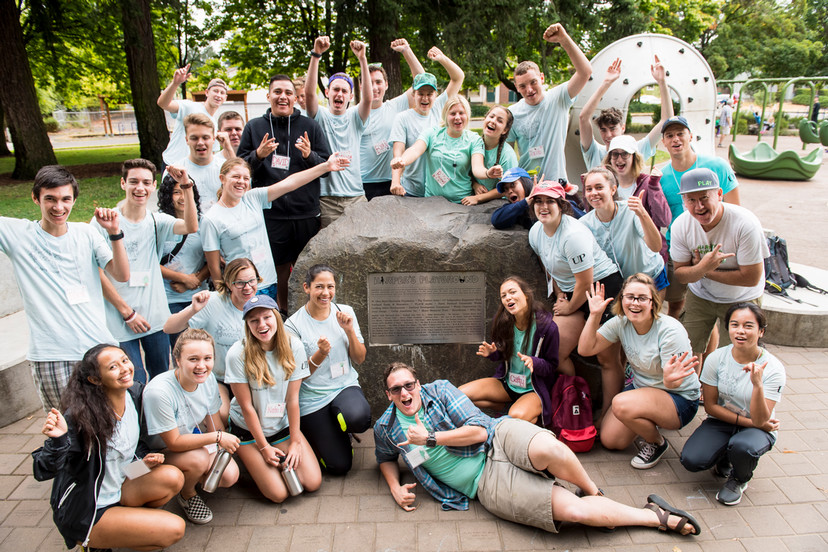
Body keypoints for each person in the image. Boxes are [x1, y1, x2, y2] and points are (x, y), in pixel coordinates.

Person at [375, 362, 701, 536]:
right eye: (396, 389)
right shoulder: (386, 428)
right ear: (388, 395)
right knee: (574, 513)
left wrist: (431, 438)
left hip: (497, 438)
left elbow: (478, 431)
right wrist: (394, 487)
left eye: (409, 385)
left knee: (549, 448)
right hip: (484, 483)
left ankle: (593, 491)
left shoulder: (441, 391)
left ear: (418, 384)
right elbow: (385, 458)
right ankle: (654, 516)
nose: (405, 393)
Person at [32, 344, 185, 550]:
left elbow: (129, 448)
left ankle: (124, 526)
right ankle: (95, 541)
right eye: (113, 367)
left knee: (173, 477)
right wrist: (58, 440)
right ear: (95, 379)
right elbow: (42, 470)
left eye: (124, 360)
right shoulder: (80, 417)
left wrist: (143, 461)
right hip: (90, 507)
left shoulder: (134, 394)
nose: (124, 369)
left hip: (120, 482)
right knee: (174, 529)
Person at [0, 165, 129, 410]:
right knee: (67, 427)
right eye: (50, 199)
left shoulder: (86, 233)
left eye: (65, 199)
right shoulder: (17, 234)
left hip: (99, 348)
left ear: (74, 200)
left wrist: (114, 233)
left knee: (112, 421)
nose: (58, 207)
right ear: (35, 198)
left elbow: (121, 275)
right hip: (52, 355)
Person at [578, 275, 700, 469]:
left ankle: (657, 442)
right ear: (622, 299)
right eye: (630, 297)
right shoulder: (621, 322)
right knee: (611, 440)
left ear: (653, 302)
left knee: (620, 403)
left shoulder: (670, 331)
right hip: (642, 390)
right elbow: (585, 349)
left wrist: (670, 380)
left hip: (678, 397)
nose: (635, 303)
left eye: (642, 298)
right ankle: (647, 417)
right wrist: (594, 315)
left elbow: (676, 382)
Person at [93, 159, 198, 383]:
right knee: (132, 380)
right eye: (134, 182)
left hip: (155, 318)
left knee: (161, 376)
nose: (140, 188)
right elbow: (97, 273)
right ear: (123, 183)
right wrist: (127, 313)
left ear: (153, 187)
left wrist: (186, 185)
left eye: (146, 182)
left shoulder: (156, 221)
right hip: (119, 319)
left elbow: (191, 226)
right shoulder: (104, 221)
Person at [527, 180, 624, 415]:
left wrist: (570, 307)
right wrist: (559, 292)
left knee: (606, 358)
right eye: (538, 201)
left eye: (550, 201)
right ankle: (574, 399)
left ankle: (609, 412)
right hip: (573, 292)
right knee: (553, 351)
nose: (543, 207)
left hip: (603, 288)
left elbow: (586, 281)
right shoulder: (536, 231)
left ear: (562, 205)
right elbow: (547, 264)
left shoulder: (573, 235)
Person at [236, 74, 331, 314]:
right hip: (272, 214)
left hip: (305, 212)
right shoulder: (254, 127)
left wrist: (309, 155)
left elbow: (326, 167)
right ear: (268, 96)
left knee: (308, 268)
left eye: (288, 93)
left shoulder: (310, 126)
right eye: (277, 92)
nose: (283, 97)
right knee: (277, 268)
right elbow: (240, 168)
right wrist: (258, 155)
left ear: (295, 97)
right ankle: (283, 311)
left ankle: (308, 312)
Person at [201, 154, 349, 304]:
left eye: (246, 178)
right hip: (240, 288)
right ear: (222, 178)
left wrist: (326, 166)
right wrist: (223, 297)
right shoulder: (211, 218)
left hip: (268, 281)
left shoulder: (253, 198)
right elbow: (214, 267)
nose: (241, 182)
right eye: (236, 177)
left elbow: (290, 183)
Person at [680, 304, 785, 506]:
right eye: (735, 325)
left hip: (759, 427)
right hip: (724, 419)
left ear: (761, 331)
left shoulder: (774, 368)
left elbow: (761, 419)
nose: (740, 331)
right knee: (692, 460)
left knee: (743, 447)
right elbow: (710, 407)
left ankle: (739, 478)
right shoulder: (716, 358)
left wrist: (757, 385)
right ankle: (725, 456)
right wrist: (751, 423)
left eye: (748, 326)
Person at [225, 295, 322, 502]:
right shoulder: (237, 354)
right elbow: (247, 407)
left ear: (276, 317)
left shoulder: (294, 346)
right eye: (254, 320)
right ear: (247, 324)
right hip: (249, 429)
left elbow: (293, 399)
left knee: (312, 482)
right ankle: (248, 458)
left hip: (280, 423)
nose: (262, 325)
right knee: (278, 494)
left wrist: (295, 442)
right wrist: (264, 448)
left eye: (267, 317)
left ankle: (275, 455)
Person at [670, 168, 768, 369]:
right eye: (691, 200)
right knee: (688, 348)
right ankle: (693, 387)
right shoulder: (681, 225)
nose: (699, 206)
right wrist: (701, 268)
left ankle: (727, 388)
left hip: (742, 297)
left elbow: (751, 277)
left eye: (704, 198)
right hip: (701, 295)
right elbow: (681, 274)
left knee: (737, 355)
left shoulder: (745, 223)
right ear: (684, 201)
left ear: (720, 194)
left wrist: (703, 270)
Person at [142, 328, 241, 525]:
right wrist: (218, 438)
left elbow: (214, 423)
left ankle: (190, 475)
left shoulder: (208, 379)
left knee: (229, 475)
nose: (201, 366)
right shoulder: (159, 392)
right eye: (193, 359)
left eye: (207, 358)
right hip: (154, 454)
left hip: (191, 442)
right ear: (178, 360)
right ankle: (187, 494)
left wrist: (221, 445)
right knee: (198, 459)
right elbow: (174, 442)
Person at [284, 265, 371, 474]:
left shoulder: (345, 312)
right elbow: (298, 377)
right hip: (312, 399)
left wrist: (349, 331)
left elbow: (359, 358)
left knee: (359, 419)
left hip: (343, 387)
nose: (325, 293)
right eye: (319, 287)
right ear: (306, 288)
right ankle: (320, 434)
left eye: (330, 287)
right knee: (339, 466)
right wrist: (320, 354)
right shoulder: (293, 326)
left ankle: (341, 427)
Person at [163, 258, 263, 424]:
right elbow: (169, 328)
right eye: (240, 283)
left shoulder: (261, 306)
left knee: (259, 411)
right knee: (223, 414)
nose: (247, 287)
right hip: (218, 377)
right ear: (229, 283)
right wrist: (193, 309)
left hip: (249, 377)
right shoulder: (213, 301)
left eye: (252, 281)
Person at [660, 115, 740, 318]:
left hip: (714, 245)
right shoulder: (662, 177)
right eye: (670, 135)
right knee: (676, 305)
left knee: (710, 304)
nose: (675, 139)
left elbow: (736, 208)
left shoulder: (717, 166)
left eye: (680, 133)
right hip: (679, 247)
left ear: (691, 136)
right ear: (663, 142)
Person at [459, 276, 561, 425]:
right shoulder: (503, 322)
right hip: (507, 385)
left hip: (533, 389)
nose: (508, 298)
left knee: (515, 417)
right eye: (503, 296)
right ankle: (506, 408)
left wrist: (534, 362)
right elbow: (504, 354)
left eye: (512, 292)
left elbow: (552, 366)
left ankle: (525, 413)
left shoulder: (548, 328)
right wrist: (493, 354)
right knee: (460, 394)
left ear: (526, 295)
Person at [508, 23, 591, 181]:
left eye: (533, 82)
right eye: (522, 86)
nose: (529, 90)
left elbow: (585, 72)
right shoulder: (512, 113)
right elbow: (508, 154)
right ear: (516, 88)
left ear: (542, 78)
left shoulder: (558, 98)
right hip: (527, 182)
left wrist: (564, 40)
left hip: (556, 181)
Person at [305, 37, 372, 227]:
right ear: (327, 92)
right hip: (328, 199)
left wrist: (362, 59)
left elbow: (368, 99)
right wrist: (316, 54)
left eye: (344, 91)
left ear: (350, 96)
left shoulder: (355, 117)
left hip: (356, 196)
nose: (339, 94)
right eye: (335, 89)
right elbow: (309, 94)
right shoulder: (320, 116)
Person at [389, 48, 465, 197]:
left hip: (438, 189)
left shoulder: (439, 107)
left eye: (429, 94)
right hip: (412, 189)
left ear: (436, 95)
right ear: (413, 94)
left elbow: (458, 77)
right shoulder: (402, 118)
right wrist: (395, 182)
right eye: (420, 94)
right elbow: (398, 154)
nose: (425, 98)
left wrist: (442, 58)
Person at [579, 167, 667, 293]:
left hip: (651, 275)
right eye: (589, 189)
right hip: (624, 285)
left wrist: (642, 214)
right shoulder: (584, 224)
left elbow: (656, 247)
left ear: (613, 189)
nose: (593, 193)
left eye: (599, 187)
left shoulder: (630, 209)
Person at [390, 95, 489, 204]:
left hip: (462, 202)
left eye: (461, 113)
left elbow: (477, 168)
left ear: (467, 115)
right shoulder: (432, 134)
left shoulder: (474, 139)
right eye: (452, 113)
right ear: (445, 115)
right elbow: (415, 150)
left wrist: (488, 173)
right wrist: (402, 160)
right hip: (433, 202)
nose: (457, 117)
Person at [578, 56, 672, 170]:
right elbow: (583, 118)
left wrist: (662, 82)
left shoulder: (637, 149)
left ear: (623, 127)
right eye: (603, 130)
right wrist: (606, 83)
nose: (608, 135)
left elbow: (666, 121)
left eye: (612, 129)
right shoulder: (594, 151)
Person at [360, 39, 424, 200]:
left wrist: (406, 51)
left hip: (393, 182)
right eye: (370, 83)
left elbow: (421, 80)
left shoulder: (395, 106)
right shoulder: (354, 114)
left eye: (378, 82)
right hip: (362, 184)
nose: (374, 87)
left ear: (386, 85)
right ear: (362, 86)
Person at [157, 172, 209, 347]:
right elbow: (149, 263)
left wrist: (193, 281)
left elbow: (213, 259)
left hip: (198, 295)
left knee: (202, 346)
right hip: (168, 299)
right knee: (180, 348)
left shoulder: (203, 223)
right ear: (167, 195)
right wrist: (183, 279)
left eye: (186, 191)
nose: (182, 197)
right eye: (176, 192)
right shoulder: (159, 223)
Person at [601, 135, 671, 263]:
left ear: (634, 157)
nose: (619, 159)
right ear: (609, 158)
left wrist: (654, 186)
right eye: (615, 154)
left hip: (649, 258)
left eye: (625, 154)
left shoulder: (648, 182)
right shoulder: (604, 186)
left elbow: (664, 220)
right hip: (620, 258)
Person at [157, 65, 227, 167]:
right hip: (173, 164)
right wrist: (175, 83)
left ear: (225, 98)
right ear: (207, 92)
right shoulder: (189, 106)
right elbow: (163, 104)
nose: (218, 95)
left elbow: (211, 153)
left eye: (222, 93)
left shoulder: (215, 125)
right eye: (215, 91)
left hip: (193, 170)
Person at [169, 113, 230, 213]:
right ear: (187, 140)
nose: (200, 142)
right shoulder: (175, 171)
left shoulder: (226, 169)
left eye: (205, 137)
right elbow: (167, 207)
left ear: (213, 139)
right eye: (194, 138)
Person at [466, 105, 518, 205]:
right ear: (485, 119)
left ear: (505, 130)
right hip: (472, 196)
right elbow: (465, 171)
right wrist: (475, 185)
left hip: (497, 202)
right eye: (491, 116)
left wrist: (479, 198)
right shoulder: (472, 143)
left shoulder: (508, 155)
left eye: (500, 121)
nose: (493, 121)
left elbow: (507, 187)